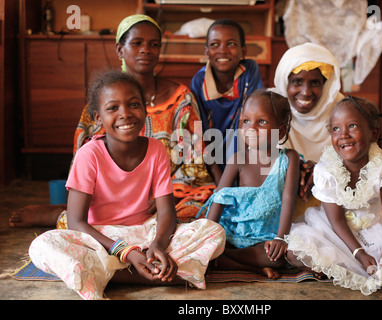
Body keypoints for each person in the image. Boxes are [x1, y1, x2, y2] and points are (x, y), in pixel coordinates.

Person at [28, 70, 226, 300]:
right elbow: (76, 221)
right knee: (43, 245)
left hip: (145, 232)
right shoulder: (88, 155)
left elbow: (166, 213)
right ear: (97, 118)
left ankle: (113, 273)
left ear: (145, 109)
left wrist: (158, 246)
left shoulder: (156, 150)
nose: (125, 114)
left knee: (213, 231)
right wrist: (125, 252)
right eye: (113, 108)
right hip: (100, 239)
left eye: (133, 104)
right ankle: (160, 273)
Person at [9, 14, 220, 228]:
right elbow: (84, 159)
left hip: (169, 193)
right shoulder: (101, 103)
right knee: (89, 220)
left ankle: (79, 216)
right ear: (120, 49)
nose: (146, 50)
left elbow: (193, 159)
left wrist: (164, 196)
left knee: (200, 213)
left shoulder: (182, 98)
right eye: (137, 43)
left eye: (153, 44)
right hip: (110, 195)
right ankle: (66, 213)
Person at [285, 96, 382, 295]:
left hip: (375, 224)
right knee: (295, 251)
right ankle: (340, 265)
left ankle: (346, 267)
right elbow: (336, 220)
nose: (343, 135)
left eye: (352, 126)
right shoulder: (326, 169)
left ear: (373, 133)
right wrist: (359, 254)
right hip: (335, 229)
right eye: (336, 129)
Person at [198, 89, 300, 279]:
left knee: (277, 257)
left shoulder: (289, 159)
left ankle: (223, 260)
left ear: (282, 130)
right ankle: (247, 266)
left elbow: (288, 199)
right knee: (204, 245)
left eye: (261, 122)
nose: (251, 128)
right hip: (233, 234)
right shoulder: (238, 159)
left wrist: (280, 238)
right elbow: (219, 198)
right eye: (246, 121)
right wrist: (206, 237)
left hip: (266, 238)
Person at [273, 42, 344, 203]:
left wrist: (321, 172)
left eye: (315, 83)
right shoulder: (271, 106)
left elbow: (354, 161)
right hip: (285, 197)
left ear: (325, 85)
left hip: (333, 199)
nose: (306, 92)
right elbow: (261, 159)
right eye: (297, 81)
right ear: (285, 83)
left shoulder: (343, 110)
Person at [191, 18, 264, 171]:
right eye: (214, 44)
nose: (222, 50)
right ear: (206, 52)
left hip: (243, 152)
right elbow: (200, 132)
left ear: (243, 51)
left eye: (231, 44)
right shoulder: (200, 81)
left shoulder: (249, 70)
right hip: (210, 156)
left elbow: (252, 118)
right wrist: (219, 179)